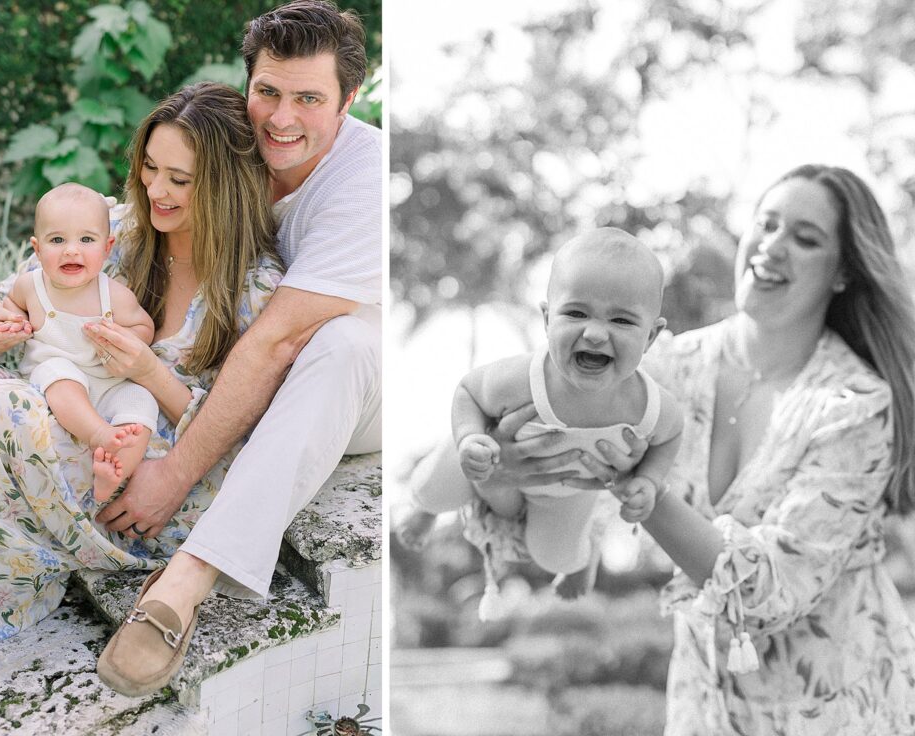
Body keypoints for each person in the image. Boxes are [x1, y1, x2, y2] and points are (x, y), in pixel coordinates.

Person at [430, 164, 915, 733]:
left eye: (805, 239)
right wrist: (507, 471)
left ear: (842, 273)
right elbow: (545, 520)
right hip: (702, 702)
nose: (773, 245)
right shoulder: (668, 368)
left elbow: (771, 592)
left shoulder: (854, 404)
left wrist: (644, 491)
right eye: (767, 224)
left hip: (843, 707)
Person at [0, 82, 282, 693]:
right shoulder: (118, 228)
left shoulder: (256, 290)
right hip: (73, 416)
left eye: (180, 179)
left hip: (151, 469)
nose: (156, 190)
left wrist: (148, 372)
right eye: (150, 167)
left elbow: (247, 434)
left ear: (224, 186)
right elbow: (14, 291)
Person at [86, 0, 381, 696]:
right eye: (268, 92)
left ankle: (185, 583)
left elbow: (276, 341)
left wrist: (174, 475)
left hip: (361, 384)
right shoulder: (242, 144)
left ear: (348, 100)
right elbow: (159, 198)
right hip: (250, 371)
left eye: (309, 98)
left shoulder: (364, 180)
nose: (282, 117)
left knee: (335, 343)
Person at [399, 229, 682, 618]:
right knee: (434, 488)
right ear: (548, 318)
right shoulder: (521, 379)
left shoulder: (650, 405)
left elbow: (671, 434)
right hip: (489, 454)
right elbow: (468, 390)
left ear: (651, 336)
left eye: (621, 320)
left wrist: (648, 480)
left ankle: (585, 555)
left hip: (566, 491)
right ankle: (427, 510)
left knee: (556, 556)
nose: (596, 333)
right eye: (576, 313)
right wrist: (469, 440)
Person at [0, 182, 157, 502]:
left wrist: (127, 339)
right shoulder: (31, 286)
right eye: (57, 240)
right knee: (58, 371)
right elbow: (9, 304)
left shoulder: (113, 294)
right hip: (57, 382)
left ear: (107, 248)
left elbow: (144, 325)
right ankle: (98, 434)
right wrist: (14, 321)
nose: (72, 250)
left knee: (142, 402)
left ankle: (113, 473)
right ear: (37, 248)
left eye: (86, 239)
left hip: (107, 383)